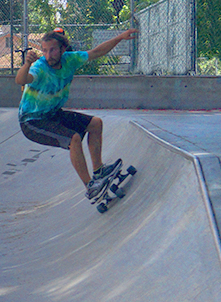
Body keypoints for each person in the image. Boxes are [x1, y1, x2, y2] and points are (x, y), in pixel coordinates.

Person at [15, 27, 138, 201]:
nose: (48, 55)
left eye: (52, 50)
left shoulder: (71, 60)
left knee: (96, 123)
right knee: (74, 139)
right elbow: (21, 80)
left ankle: (98, 171)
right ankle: (91, 187)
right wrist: (27, 64)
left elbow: (97, 51)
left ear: (62, 49)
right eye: (44, 51)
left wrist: (120, 37)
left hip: (52, 114)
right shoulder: (39, 68)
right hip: (32, 122)